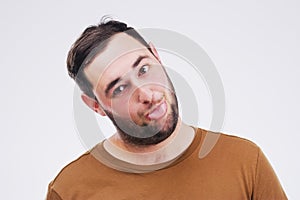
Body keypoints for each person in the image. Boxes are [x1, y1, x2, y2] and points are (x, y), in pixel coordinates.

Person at [46, 19, 287, 199]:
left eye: (143, 69)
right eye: (119, 89)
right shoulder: (69, 190)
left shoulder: (245, 161)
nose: (147, 94)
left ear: (157, 56)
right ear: (95, 106)